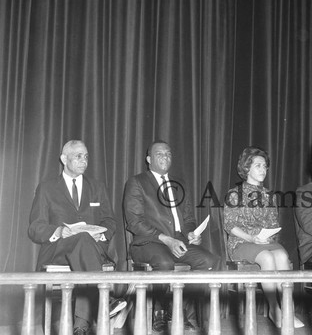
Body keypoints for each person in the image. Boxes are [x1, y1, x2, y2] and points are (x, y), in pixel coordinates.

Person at [28, 140, 126, 335]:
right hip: (58, 251)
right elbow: (35, 228)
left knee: (84, 244)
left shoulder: (97, 187)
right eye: (78, 156)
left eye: (86, 157)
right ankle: (103, 302)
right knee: (82, 240)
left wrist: (102, 234)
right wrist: (57, 231)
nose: (84, 161)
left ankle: (80, 327)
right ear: (64, 159)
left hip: (91, 250)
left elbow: (110, 221)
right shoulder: (47, 188)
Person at [123, 140, 219, 332]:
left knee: (209, 260)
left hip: (178, 239)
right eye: (160, 154)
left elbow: (188, 218)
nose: (165, 157)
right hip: (149, 242)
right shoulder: (137, 182)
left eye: (168, 154)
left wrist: (191, 233)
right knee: (165, 263)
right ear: (149, 159)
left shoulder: (179, 184)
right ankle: (159, 311)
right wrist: (166, 239)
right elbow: (134, 222)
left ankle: (178, 310)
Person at [224, 147, 304, 329]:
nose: (263, 170)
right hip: (241, 242)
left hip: (264, 242)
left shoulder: (269, 196)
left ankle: (288, 310)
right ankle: (274, 309)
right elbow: (230, 226)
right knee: (267, 257)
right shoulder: (234, 194)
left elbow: (273, 225)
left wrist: (267, 237)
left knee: (282, 256)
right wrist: (252, 238)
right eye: (258, 165)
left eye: (265, 166)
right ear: (247, 169)